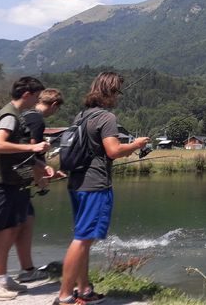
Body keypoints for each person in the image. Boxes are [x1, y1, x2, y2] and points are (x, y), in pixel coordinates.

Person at [55, 72, 149, 305]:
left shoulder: (82, 115)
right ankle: (65, 296)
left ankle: (84, 289)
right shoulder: (106, 117)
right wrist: (136, 145)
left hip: (76, 183)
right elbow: (113, 151)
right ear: (110, 92)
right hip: (95, 184)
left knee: (83, 237)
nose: (118, 97)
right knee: (82, 240)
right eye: (117, 92)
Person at [0, 77, 51, 299]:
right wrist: (35, 147)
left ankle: (3, 278)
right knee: (2, 231)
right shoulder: (9, 116)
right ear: (27, 94)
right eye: (37, 96)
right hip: (3, 183)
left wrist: (40, 166)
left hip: (14, 182)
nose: (38, 101)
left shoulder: (17, 116)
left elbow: (17, 152)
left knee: (10, 230)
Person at [14, 88, 67, 283]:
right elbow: (30, 154)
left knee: (24, 220)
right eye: (57, 109)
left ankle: (26, 269)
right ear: (54, 105)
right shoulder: (36, 120)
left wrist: (46, 171)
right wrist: (42, 181)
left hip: (15, 176)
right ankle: (20, 271)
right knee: (17, 224)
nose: (55, 113)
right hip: (18, 179)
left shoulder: (24, 115)